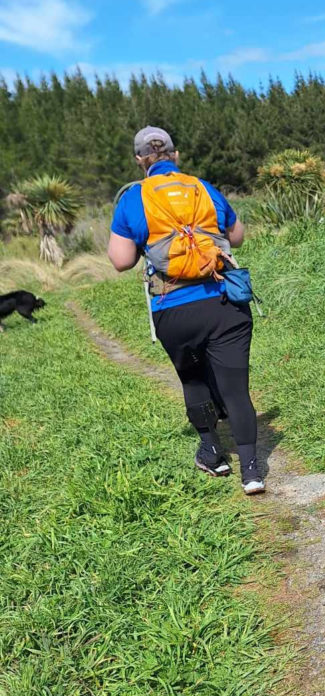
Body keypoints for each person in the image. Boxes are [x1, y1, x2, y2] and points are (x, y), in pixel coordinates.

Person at [107, 126, 265, 495]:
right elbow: (237, 236)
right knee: (236, 389)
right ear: (175, 156)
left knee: (192, 380)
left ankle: (213, 452)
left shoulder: (133, 198)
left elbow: (120, 260)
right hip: (224, 302)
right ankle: (252, 471)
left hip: (173, 308)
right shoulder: (202, 187)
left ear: (139, 161)